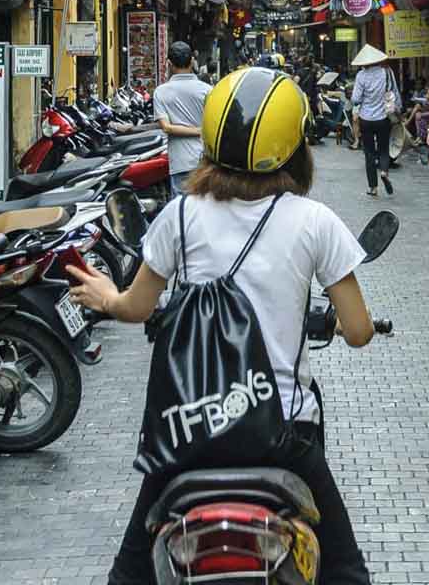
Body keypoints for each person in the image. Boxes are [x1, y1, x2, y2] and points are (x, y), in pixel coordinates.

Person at [67, 67, 376, 585]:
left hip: (190, 427)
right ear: (295, 145)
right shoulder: (316, 221)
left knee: (129, 573)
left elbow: (137, 307)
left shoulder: (179, 217)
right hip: (284, 431)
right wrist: (341, 327)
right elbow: (360, 329)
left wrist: (106, 296)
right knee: (345, 570)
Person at [153, 41, 211, 194]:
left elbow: (166, 127)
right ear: (192, 61)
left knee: (182, 210)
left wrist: (199, 131)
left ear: (169, 63)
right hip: (206, 159)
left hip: (181, 161)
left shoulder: (161, 92)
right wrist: (202, 131)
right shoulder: (207, 90)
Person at [348, 45, 399, 197]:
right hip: (383, 118)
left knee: (369, 153)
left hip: (366, 119)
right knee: (384, 148)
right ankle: (383, 171)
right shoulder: (387, 72)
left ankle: (373, 187)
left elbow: (356, 99)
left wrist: (363, 99)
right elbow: (393, 93)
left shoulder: (361, 76)